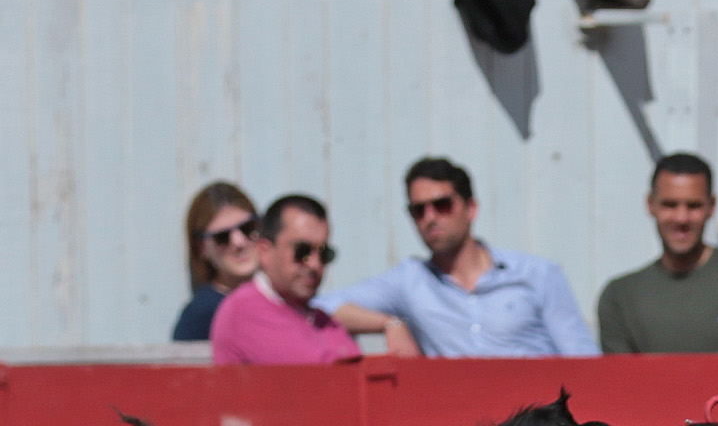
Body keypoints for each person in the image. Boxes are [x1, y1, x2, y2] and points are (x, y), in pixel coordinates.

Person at [318, 157, 597, 358]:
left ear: (471, 208)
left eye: (442, 205)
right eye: (419, 210)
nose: (431, 218)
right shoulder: (410, 280)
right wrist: (388, 323)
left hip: (537, 422)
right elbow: (321, 308)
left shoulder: (537, 273)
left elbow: (583, 360)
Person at [597, 153, 718, 354]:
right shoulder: (619, 296)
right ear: (651, 204)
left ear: (711, 206)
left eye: (693, 206)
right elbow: (623, 379)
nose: (681, 218)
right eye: (670, 205)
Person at [211, 194, 361, 367]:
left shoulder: (321, 319)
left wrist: (390, 324)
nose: (314, 264)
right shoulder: (243, 310)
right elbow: (317, 373)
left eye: (324, 253)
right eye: (302, 251)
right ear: (264, 251)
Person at [173, 183, 259, 342]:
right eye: (222, 237)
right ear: (201, 248)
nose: (239, 242)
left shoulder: (284, 296)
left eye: (247, 228)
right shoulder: (202, 314)